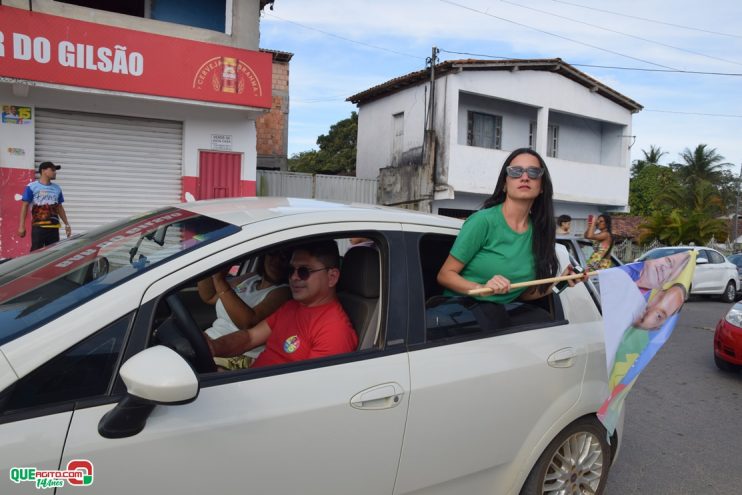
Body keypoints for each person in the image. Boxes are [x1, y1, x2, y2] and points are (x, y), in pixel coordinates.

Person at [436, 148, 582, 329]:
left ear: (542, 186)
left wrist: (561, 281)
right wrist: (481, 288)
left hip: (496, 318)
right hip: (455, 317)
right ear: (505, 184)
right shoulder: (483, 221)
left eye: (534, 172)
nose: (525, 177)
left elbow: (524, 293)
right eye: (515, 171)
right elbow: (445, 275)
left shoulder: (540, 233)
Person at [207, 240, 357, 368]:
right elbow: (250, 337)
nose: (294, 277)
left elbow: (310, 390)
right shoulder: (292, 306)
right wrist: (213, 347)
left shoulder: (334, 331)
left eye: (304, 271)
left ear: (332, 277)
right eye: (291, 270)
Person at [197, 250, 292, 339]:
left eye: (284, 257)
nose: (276, 261)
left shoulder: (284, 291)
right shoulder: (253, 277)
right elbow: (210, 296)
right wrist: (208, 264)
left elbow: (248, 323)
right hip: (211, 338)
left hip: (234, 352)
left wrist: (219, 280)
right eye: (272, 253)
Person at [18, 161, 72, 251]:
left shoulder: (57, 188)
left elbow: (59, 207)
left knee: (52, 254)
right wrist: (21, 226)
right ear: (44, 171)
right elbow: (25, 206)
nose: (55, 172)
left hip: (54, 228)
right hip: (39, 227)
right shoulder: (31, 187)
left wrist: (67, 224)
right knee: (35, 253)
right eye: (53, 170)